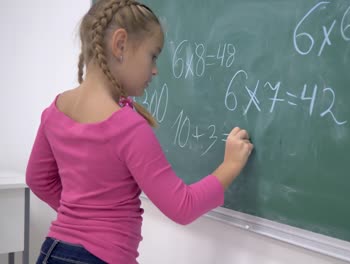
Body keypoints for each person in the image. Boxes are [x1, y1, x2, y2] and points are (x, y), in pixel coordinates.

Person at [25, 0, 254, 263]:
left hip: (52, 252)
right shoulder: (128, 128)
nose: (155, 70)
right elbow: (182, 206)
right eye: (153, 56)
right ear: (120, 45)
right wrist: (231, 165)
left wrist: (82, 217)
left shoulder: (54, 111)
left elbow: (37, 179)